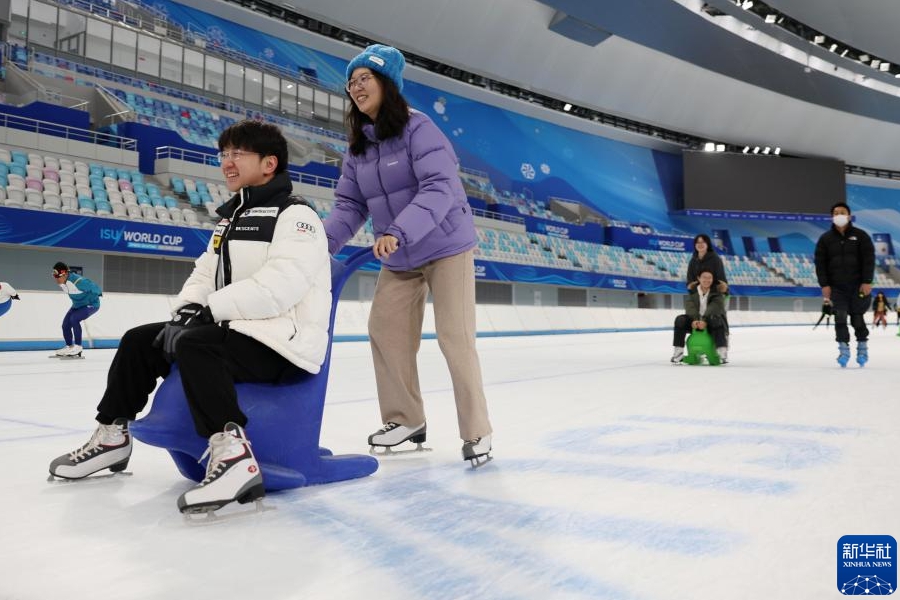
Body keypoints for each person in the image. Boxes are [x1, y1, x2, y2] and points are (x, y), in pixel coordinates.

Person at [48, 120, 332, 514]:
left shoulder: (297, 217)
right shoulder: (232, 218)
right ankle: (113, 436)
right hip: (237, 328)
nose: (227, 163)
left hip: (283, 342)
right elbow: (203, 274)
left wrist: (208, 312)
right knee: (139, 341)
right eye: (224, 154)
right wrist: (184, 314)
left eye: (238, 154)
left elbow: (282, 285)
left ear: (269, 164)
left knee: (200, 345)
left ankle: (234, 457)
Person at [324, 44, 493, 464]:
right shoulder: (358, 146)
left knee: (455, 337)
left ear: (388, 83)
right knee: (386, 331)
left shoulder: (420, 129)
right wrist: (320, 244)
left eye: (365, 78)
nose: (356, 87)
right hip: (399, 256)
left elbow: (440, 188)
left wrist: (399, 230)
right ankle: (406, 419)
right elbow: (349, 205)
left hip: (445, 245)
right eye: (351, 82)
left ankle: (477, 431)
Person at [814, 202, 875, 367]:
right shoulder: (825, 239)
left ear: (848, 215)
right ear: (832, 217)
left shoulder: (861, 236)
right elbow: (820, 264)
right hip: (836, 287)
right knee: (839, 318)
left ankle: (862, 348)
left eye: (842, 212)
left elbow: (869, 260)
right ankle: (843, 350)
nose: (839, 214)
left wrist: (867, 281)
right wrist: (824, 285)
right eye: (835, 212)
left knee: (857, 318)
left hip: (858, 286)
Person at [671, 268, 729, 364]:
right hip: (695, 321)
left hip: (711, 322)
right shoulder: (692, 292)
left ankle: (722, 352)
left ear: (713, 279)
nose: (707, 280)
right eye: (704, 277)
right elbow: (690, 308)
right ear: (699, 278)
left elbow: (714, 308)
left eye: (709, 277)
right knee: (680, 319)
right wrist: (695, 321)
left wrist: (704, 321)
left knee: (715, 318)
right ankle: (678, 352)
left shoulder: (717, 293)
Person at [52, 262, 102, 357]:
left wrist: (98, 294)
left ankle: (78, 347)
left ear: (65, 274)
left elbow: (95, 287)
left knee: (74, 318)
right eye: (55, 276)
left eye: (58, 276)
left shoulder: (79, 281)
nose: (56, 279)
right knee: (65, 325)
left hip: (91, 304)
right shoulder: (62, 282)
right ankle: (69, 347)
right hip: (77, 305)